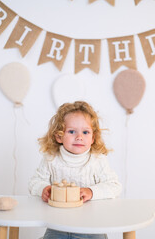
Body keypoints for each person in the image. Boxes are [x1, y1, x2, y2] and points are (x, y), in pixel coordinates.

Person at [29, 101, 122, 239]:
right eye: (72, 131)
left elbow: (114, 186)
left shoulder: (97, 160)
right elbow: (34, 181)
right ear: (59, 136)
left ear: (93, 137)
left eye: (85, 132)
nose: (79, 137)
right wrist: (43, 188)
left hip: (91, 227)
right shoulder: (51, 159)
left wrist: (92, 192)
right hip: (57, 226)